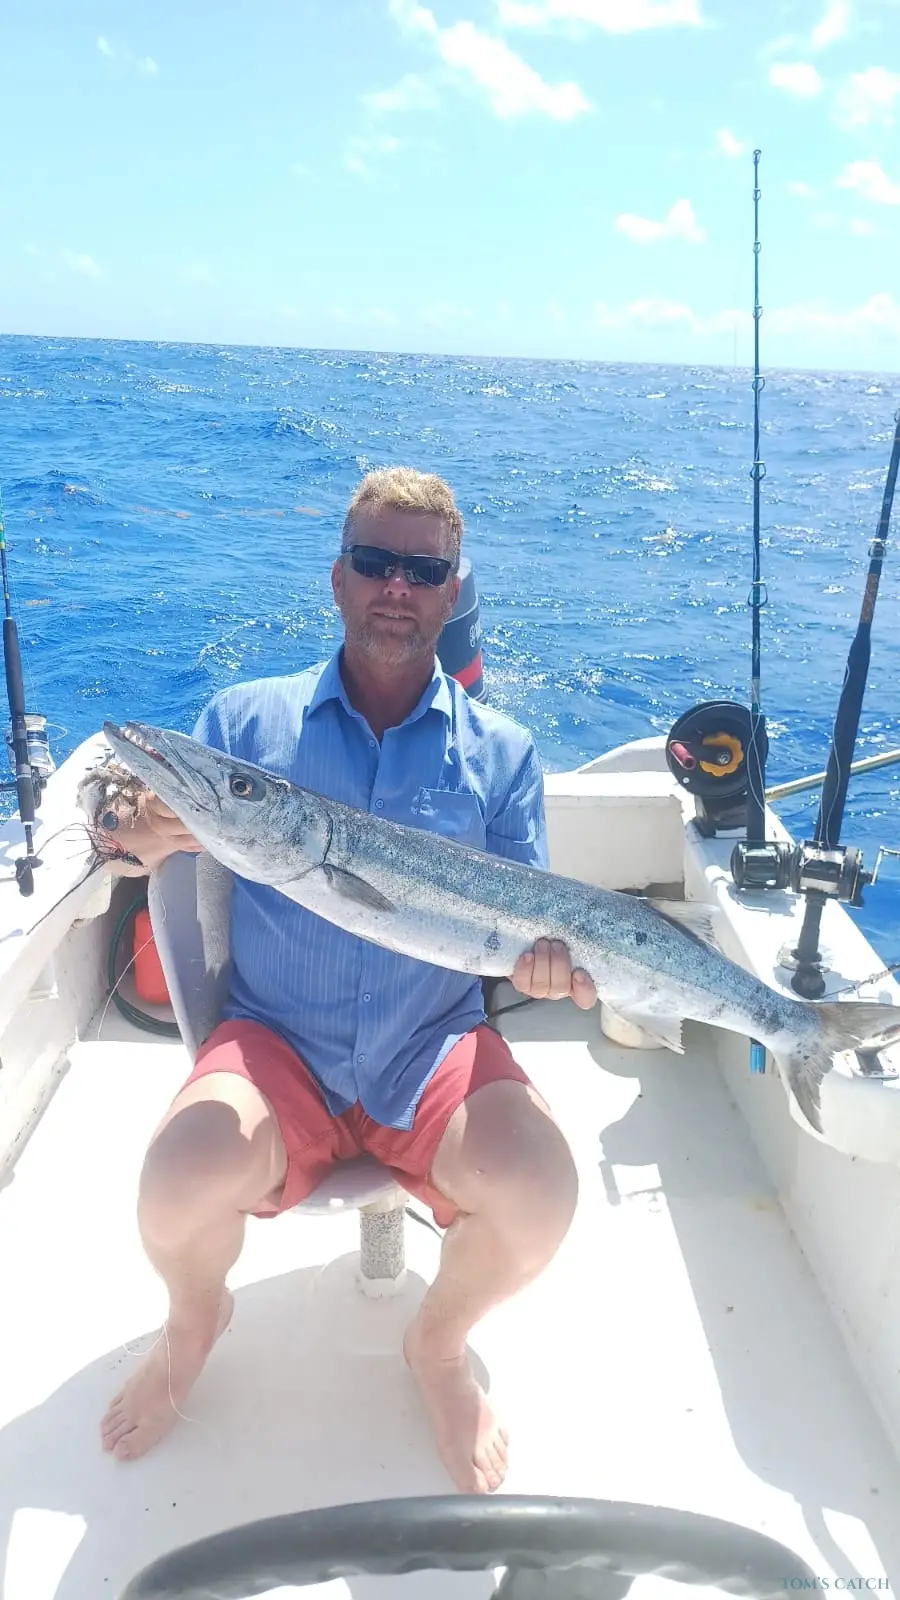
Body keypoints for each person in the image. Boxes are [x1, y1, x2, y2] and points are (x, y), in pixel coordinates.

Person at [99, 466, 597, 1494]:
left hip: (432, 1043)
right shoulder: (244, 725)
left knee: (543, 1189)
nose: (396, 587)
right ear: (338, 579)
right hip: (279, 1042)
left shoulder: (503, 754)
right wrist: (148, 825)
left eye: (424, 571)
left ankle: (438, 1348)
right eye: (375, 562)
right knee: (175, 1182)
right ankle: (195, 1320)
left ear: (452, 594)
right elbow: (126, 837)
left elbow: (530, 925)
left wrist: (553, 969)